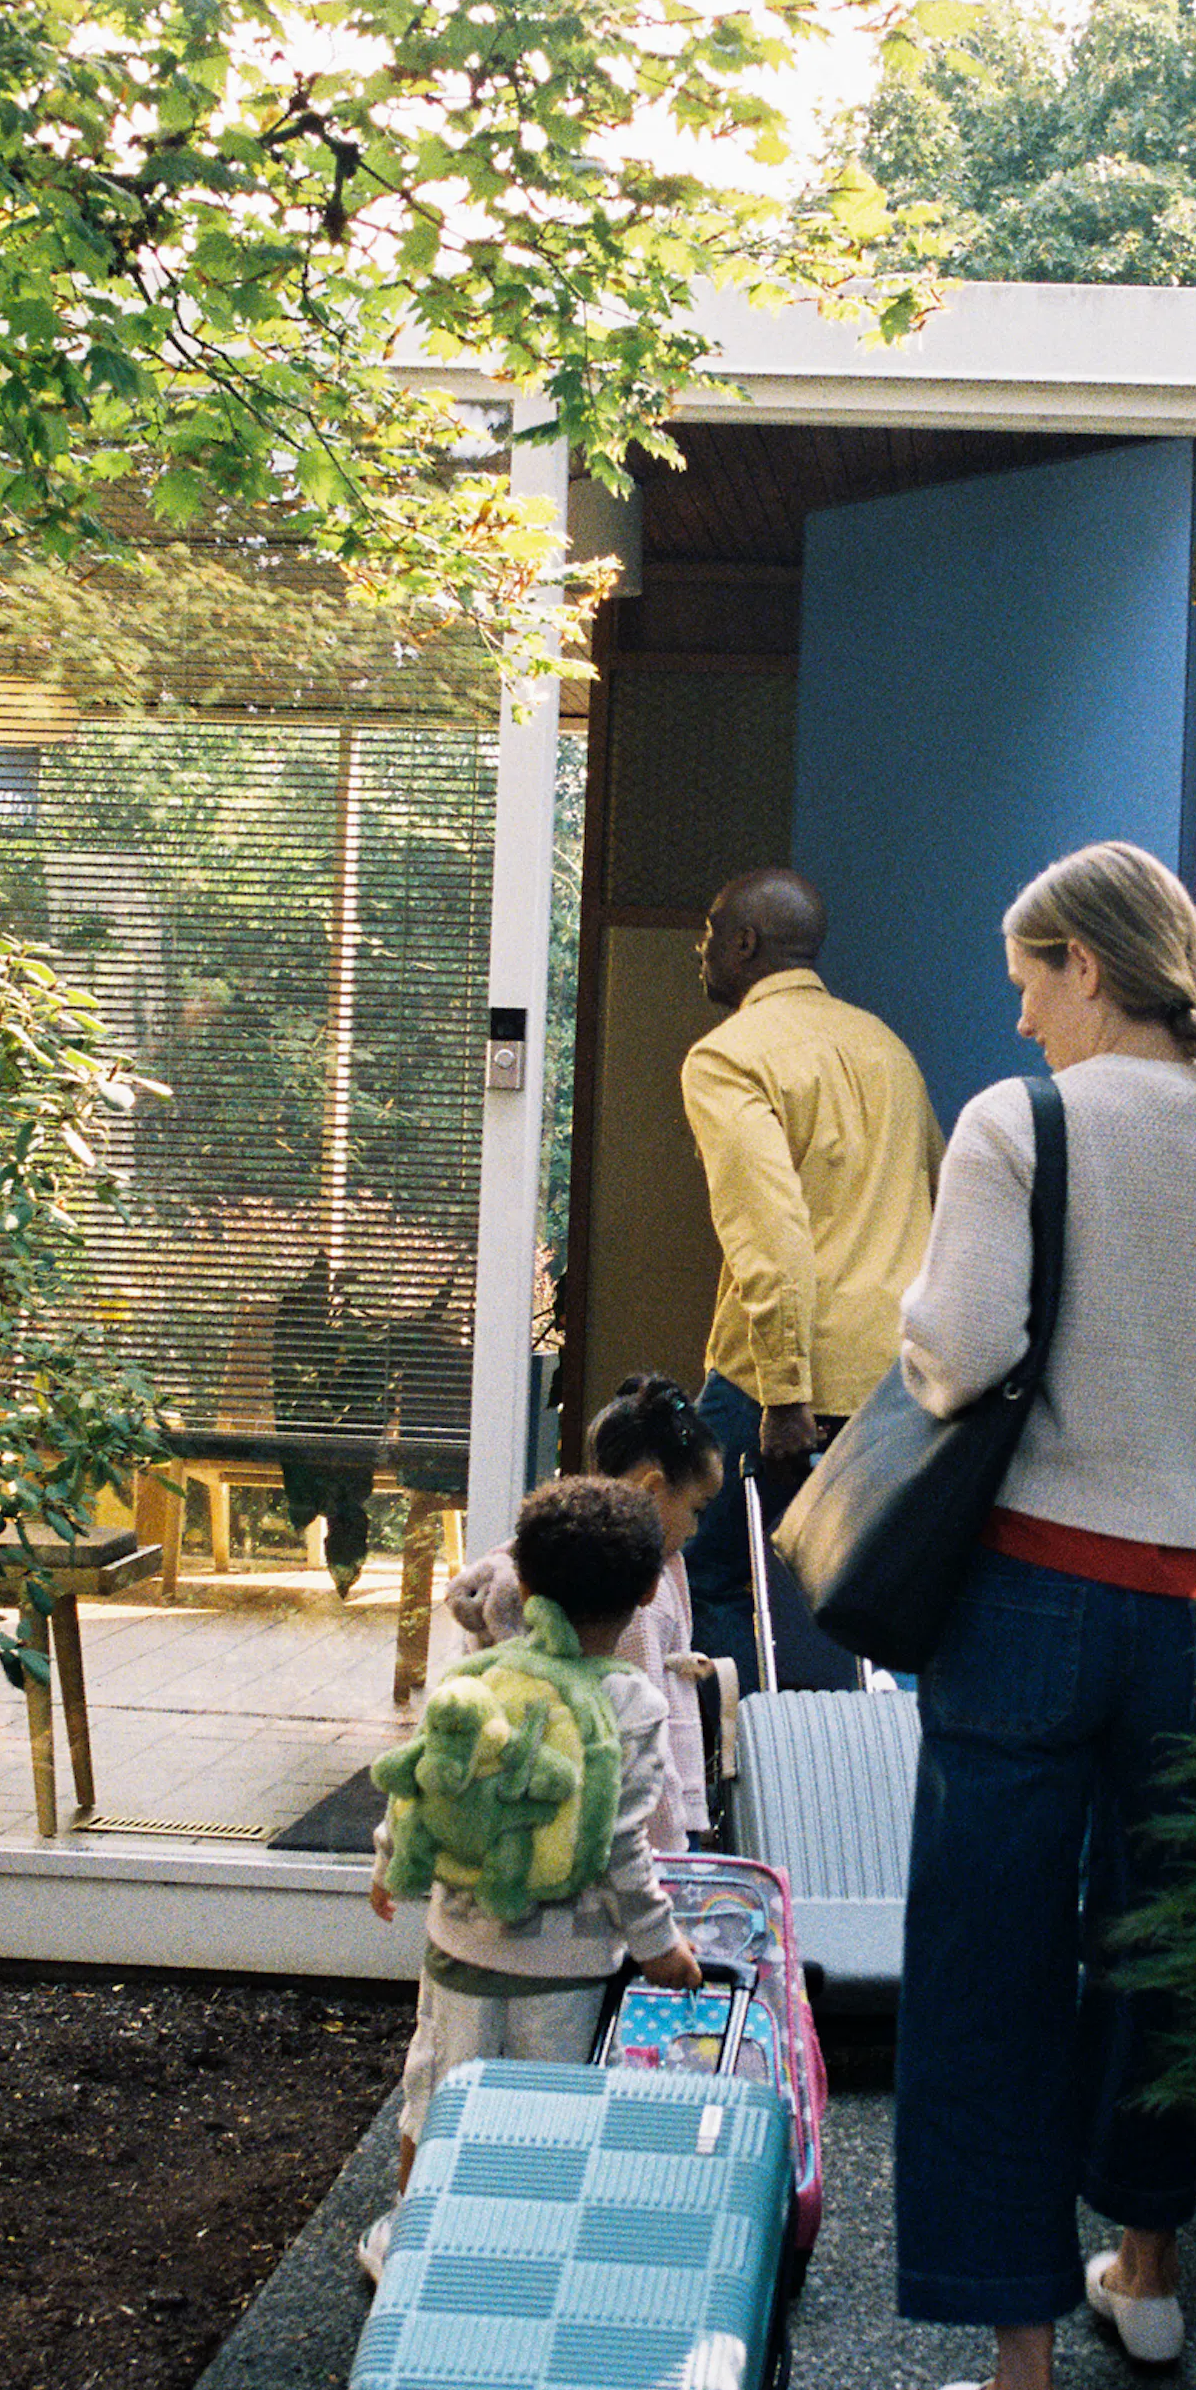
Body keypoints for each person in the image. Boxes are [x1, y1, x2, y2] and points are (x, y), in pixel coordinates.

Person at [890, 841, 1196, 2390]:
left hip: (1035, 1601)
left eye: (1030, 980)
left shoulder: (1025, 1129)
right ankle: (1145, 2277)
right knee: (1166, 1957)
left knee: (988, 1974)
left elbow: (960, 1352)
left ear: (1088, 962)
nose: (1019, 1020)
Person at [361, 1475, 704, 2282]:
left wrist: (386, 1861)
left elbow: (422, 1778)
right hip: (567, 1965)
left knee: (437, 2088)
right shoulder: (631, 1701)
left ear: (528, 1582)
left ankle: (413, 2249)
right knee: (546, 2113)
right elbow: (624, 1846)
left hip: (461, 1944)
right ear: (650, 1589)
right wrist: (660, 1945)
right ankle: (520, 2259)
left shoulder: (483, 1672)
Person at [681, 866, 943, 1691]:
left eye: (711, 932)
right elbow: (944, 1198)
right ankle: (877, 1783)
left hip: (781, 1380)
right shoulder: (884, 1045)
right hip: (897, 1377)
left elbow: (771, 1234)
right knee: (872, 1590)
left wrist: (788, 1393)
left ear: (745, 944)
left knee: (705, 1568)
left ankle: (748, 1778)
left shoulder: (727, 1058)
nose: (701, 950)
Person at [438, 1372, 728, 1854]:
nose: (698, 1527)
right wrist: (674, 1846)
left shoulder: (557, 1556)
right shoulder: (633, 1596)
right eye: (698, 1508)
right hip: (624, 1832)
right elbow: (640, 1741)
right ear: (653, 1491)